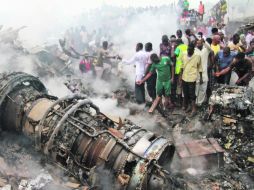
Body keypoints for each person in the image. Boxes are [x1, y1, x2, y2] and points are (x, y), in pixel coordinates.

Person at [179, 43, 203, 117]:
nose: (188, 50)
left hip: (192, 78)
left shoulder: (197, 56)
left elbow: (200, 67)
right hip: (184, 77)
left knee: (192, 94)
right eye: (188, 49)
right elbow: (182, 66)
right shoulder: (183, 54)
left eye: (190, 49)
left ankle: (194, 109)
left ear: (193, 49)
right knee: (186, 93)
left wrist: (201, 77)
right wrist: (180, 76)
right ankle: (189, 106)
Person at [195, 39, 212, 105]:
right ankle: (195, 103)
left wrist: (204, 41)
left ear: (202, 44)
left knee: (203, 90)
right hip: (196, 74)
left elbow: (210, 48)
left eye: (200, 43)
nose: (198, 44)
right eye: (197, 43)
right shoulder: (195, 50)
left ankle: (199, 103)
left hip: (204, 74)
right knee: (196, 90)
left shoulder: (205, 50)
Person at [172, 39, 188, 106]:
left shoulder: (178, 48)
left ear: (178, 43)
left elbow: (173, 56)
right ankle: (185, 101)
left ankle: (179, 101)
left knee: (179, 85)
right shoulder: (186, 46)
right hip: (186, 68)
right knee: (185, 84)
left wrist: (174, 48)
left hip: (179, 69)